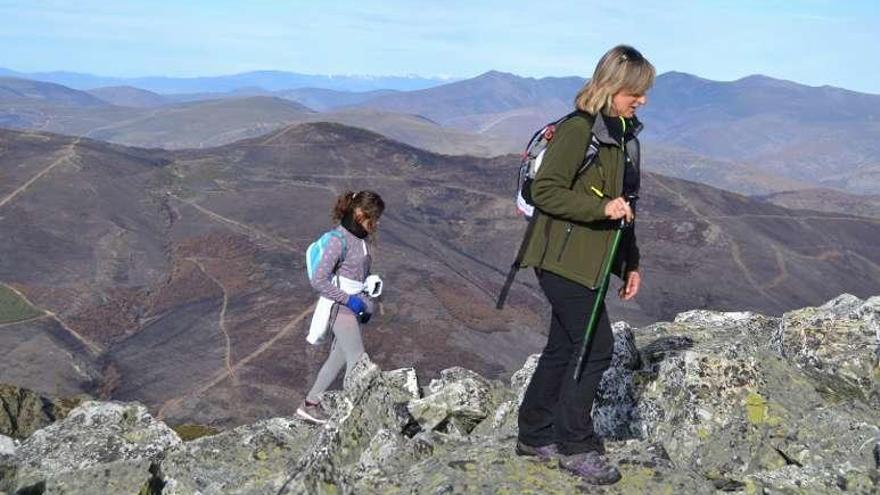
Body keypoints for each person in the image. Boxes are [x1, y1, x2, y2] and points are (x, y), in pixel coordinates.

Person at [514, 45, 654, 485]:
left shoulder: (623, 138)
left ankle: (534, 434)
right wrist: (601, 210)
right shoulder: (579, 130)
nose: (643, 99)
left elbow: (624, 206)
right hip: (559, 259)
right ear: (613, 86)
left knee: (564, 346)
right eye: (636, 91)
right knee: (596, 349)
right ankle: (575, 444)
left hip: (590, 262)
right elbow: (545, 191)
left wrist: (629, 262)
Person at [296, 190, 385, 424]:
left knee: (338, 359)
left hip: (353, 307)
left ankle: (310, 405)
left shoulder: (360, 242)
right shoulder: (338, 240)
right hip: (340, 307)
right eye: (373, 218)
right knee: (358, 359)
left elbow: (354, 276)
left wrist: (367, 293)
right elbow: (319, 280)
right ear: (358, 213)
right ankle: (352, 415)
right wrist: (350, 301)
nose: (376, 223)